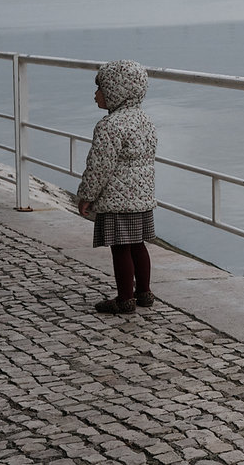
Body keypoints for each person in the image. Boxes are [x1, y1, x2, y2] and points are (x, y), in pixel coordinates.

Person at [76, 60, 158, 314]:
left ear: (116, 91)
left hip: (117, 200)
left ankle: (124, 299)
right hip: (141, 197)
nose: (95, 95)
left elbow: (99, 166)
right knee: (138, 245)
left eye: (100, 89)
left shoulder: (109, 126)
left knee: (121, 247)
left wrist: (87, 196)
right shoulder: (145, 120)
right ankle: (144, 292)